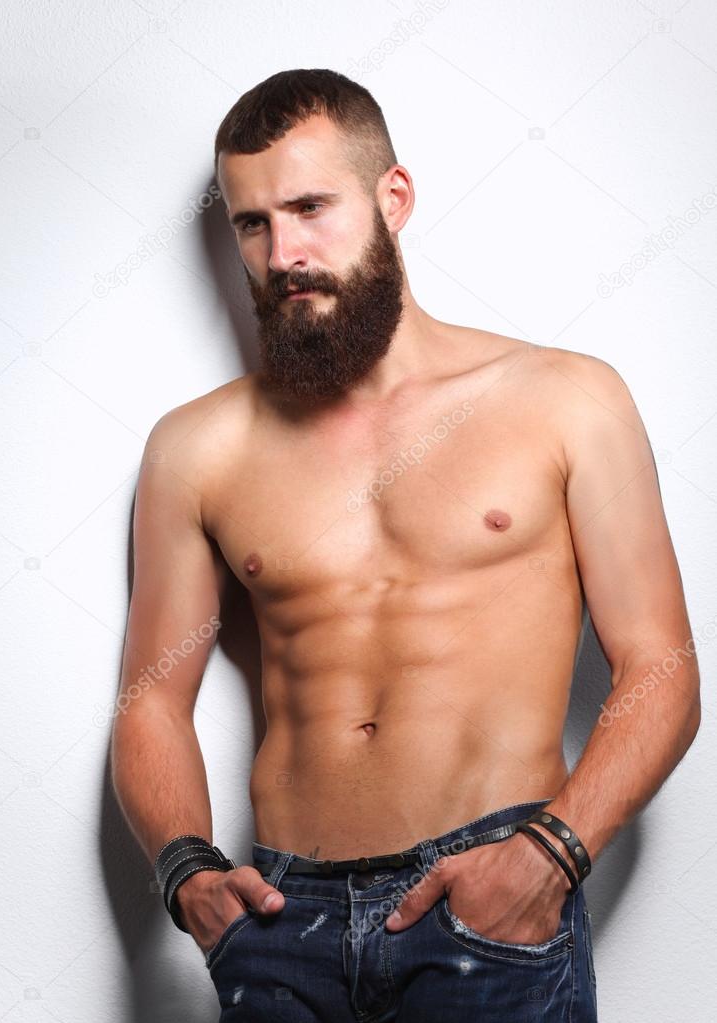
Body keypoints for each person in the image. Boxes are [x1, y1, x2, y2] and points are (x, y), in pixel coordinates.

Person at [110, 68, 701, 1022]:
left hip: (490, 907)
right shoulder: (196, 448)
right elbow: (150, 701)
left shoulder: (565, 400)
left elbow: (663, 668)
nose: (284, 252)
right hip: (280, 921)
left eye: (310, 207)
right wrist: (188, 874)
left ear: (395, 198)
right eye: (253, 224)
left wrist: (550, 856)